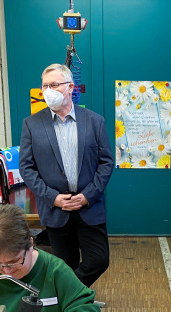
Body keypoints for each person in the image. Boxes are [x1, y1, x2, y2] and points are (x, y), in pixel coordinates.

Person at [20, 63, 114, 287]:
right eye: (44, 86)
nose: (48, 91)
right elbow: (26, 167)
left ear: (70, 87)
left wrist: (87, 195)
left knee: (98, 260)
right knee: (65, 264)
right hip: (56, 208)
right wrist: (52, 197)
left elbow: (106, 162)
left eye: (54, 84)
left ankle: (71, 295)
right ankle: (72, 306)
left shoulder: (94, 121)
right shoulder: (31, 124)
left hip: (88, 205)